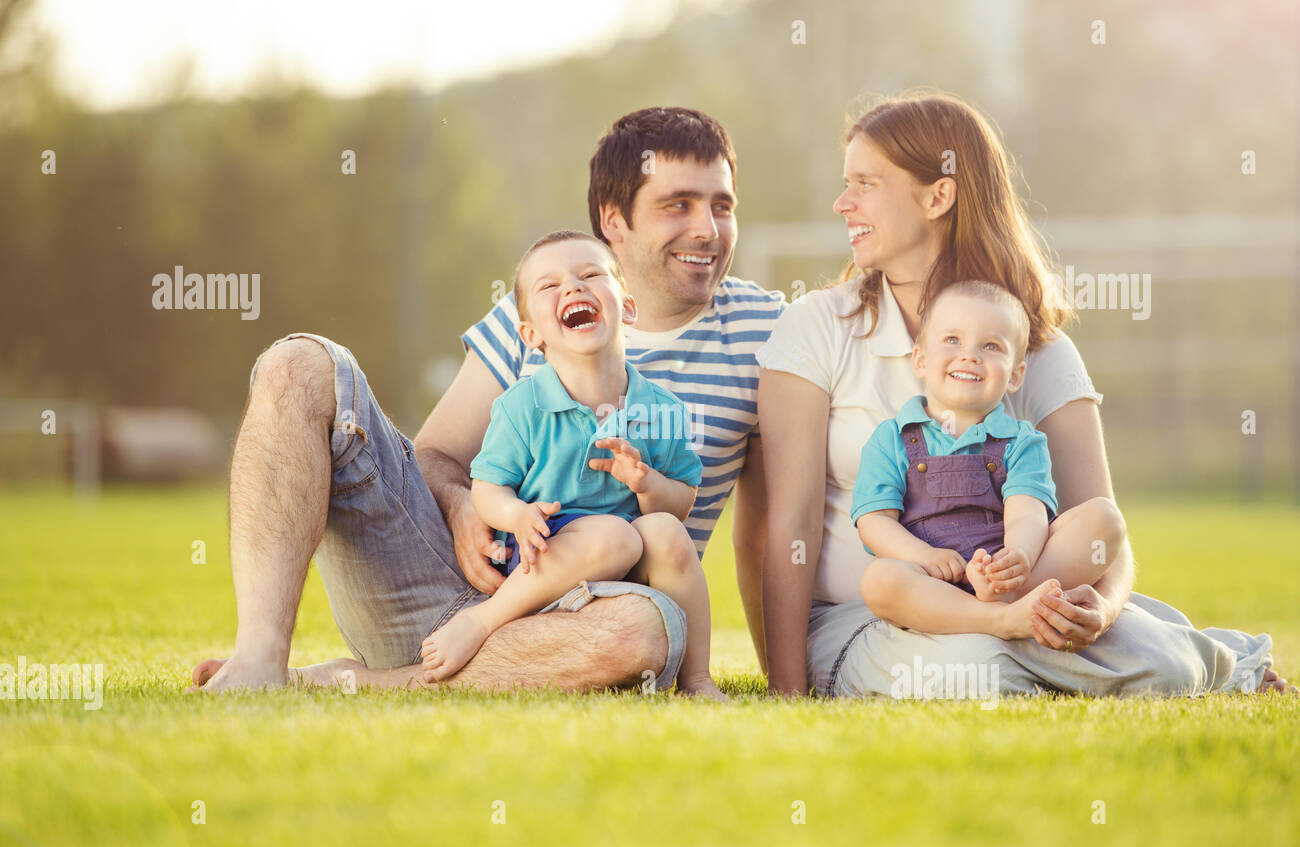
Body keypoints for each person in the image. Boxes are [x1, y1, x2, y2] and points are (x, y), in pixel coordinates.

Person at [190, 106, 783, 694]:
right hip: (446, 582)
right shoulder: (533, 310)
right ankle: (259, 662)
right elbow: (435, 459)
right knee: (297, 364)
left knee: (645, 634)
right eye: (678, 204)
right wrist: (464, 505)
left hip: (583, 617)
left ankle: (363, 684)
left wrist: (788, 682)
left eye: (722, 205)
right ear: (616, 222)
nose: (707, 227)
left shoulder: (769, 331)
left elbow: (771, 521)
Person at [758, 90, 1284, 699]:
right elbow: (790, 524)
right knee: (976, 669)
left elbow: (1100, 530)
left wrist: (1105, 611)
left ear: (938, 195)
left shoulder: (1038, 345)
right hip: (867, 618)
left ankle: (1197, 659)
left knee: (1165, 667)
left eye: (865, 184)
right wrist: (787, 693)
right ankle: (1174, 662)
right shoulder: (816, 326)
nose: (842, 203)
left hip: (1024, 595)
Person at [419, 230, 725, 700]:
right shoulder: (522, 406)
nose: (573, 288)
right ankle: (482, 621)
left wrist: (647, 483)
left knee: (664, 531)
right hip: (542, 560)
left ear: (627, 307)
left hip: (625, 570)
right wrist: (516, 515)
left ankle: (696, 679)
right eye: (549, 286)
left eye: (590, 275)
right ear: (531, 334)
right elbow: (486, 487)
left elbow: (682, 501)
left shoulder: (660, 409)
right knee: (615, 535)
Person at [856, 280, 1126, 637]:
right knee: (879, 580)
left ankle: (1012, 598)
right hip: (934, 581)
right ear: (920, 359)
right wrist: (923, 556)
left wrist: (1018, 558)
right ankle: (1000, 620)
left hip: (1008, 574)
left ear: (1015, 376)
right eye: (952, 340)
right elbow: (874, 521)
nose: (970, 355)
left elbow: (1027, 510)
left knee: (1104, 519)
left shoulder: (1021, 441)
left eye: (991, 346)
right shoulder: (891, 437)